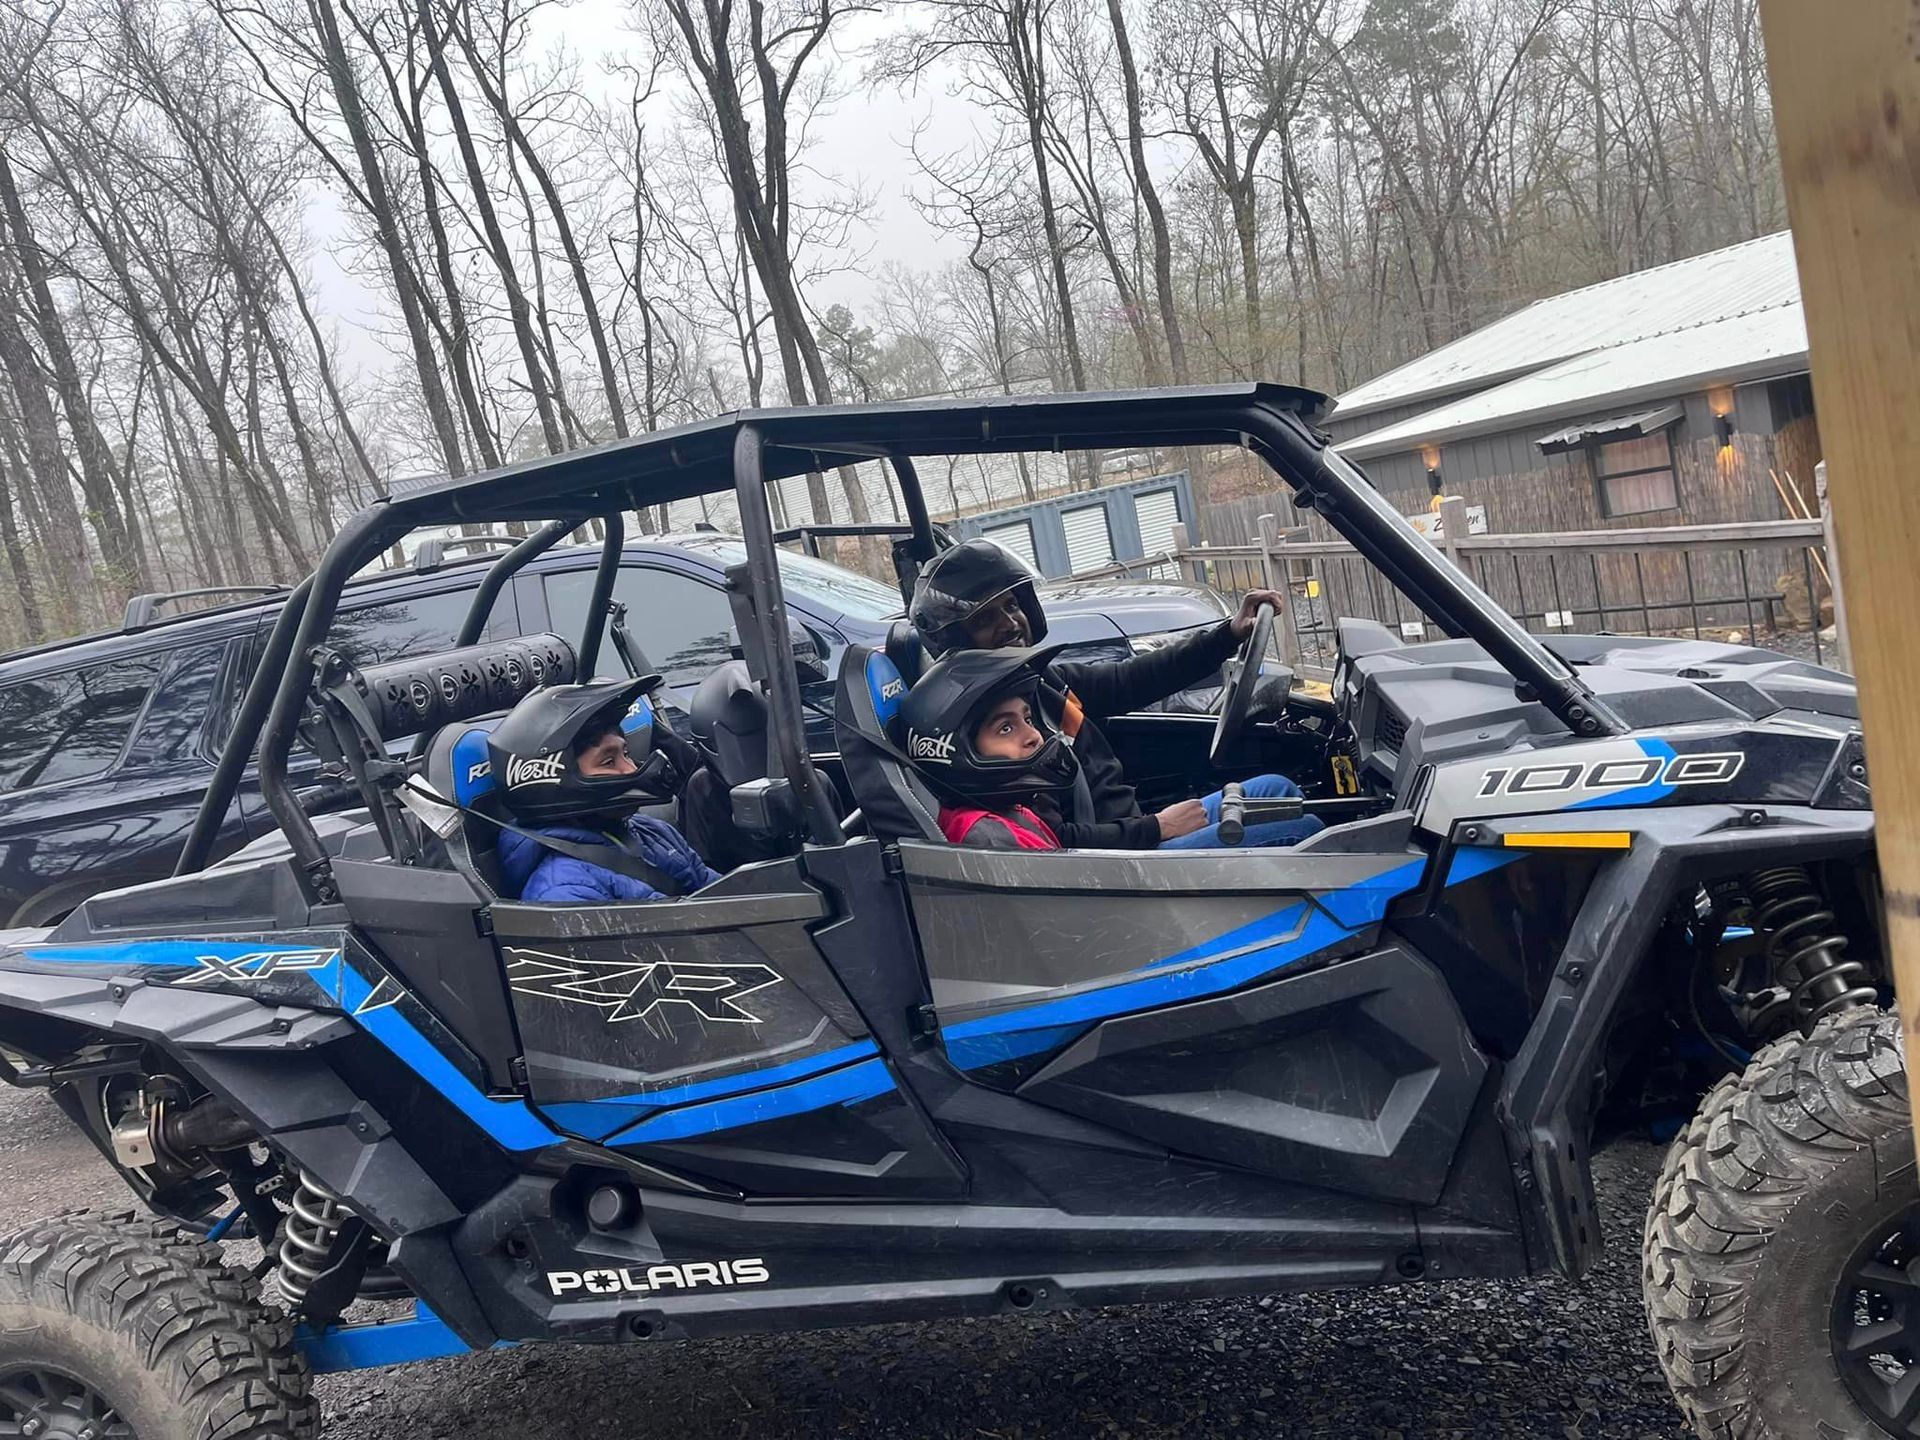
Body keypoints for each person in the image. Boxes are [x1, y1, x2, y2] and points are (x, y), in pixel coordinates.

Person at [909, 539, 1321, 851]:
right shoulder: (994, 732)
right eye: (986, 618)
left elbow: (1135, 678)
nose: (1011, 623)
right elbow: (1056, 842)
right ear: (957, 636)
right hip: (1126, 859)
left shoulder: (1040, 684)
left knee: (1276, 789)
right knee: (1306, 835)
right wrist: (1157, 828)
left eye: (1012, 606)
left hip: (1137, 829)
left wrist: (1227, 634)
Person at [489, 677, 720, 904]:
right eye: (609, 762)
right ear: (550, 777)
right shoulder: (562, 889)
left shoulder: (653, 832)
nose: (629, 768)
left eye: (626, 754)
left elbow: (723, 895)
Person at [898, 644, 1078, 851]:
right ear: (950, 750)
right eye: (1006, 728)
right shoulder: (988, 839)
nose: (1034, 736)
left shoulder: (1011, 811)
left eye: (1028, 720)